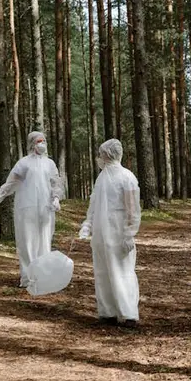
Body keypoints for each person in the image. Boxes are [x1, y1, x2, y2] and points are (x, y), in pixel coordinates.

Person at [78, 139, 141, 328]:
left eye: (102, 153)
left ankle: (128, 313)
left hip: (118, 229)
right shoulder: (102, 177)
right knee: (103, 270)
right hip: (101, 231)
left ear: (109, 154)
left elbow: (132, 207)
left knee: (122, 270)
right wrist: (87, 225)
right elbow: (94, 203)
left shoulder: (126, 176)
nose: (100, 157)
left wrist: (129, 233)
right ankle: (107, 312)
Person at [0, 132, 63, 287]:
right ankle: (28, 277)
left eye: (44, 141)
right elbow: (11, 182)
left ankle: (43, 276)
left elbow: (56, 182)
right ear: (31, 144)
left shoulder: (50, 164)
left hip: (45, 208)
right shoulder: (24, 163)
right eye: (38, 141)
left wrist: (56, 198)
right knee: (27, 241)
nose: (42, 144)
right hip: (26, 208)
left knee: (44, 240)